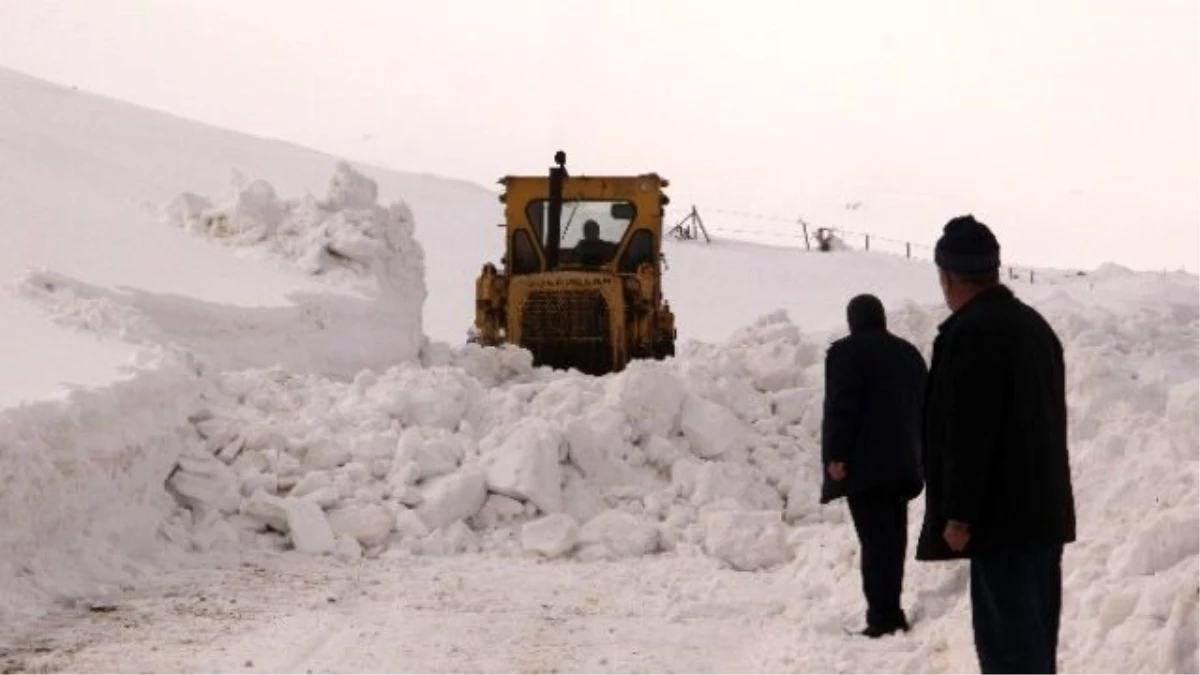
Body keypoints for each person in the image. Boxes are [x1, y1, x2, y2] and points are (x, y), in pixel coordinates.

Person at [916, 215, 1076, 674]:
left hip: (999, 521)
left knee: (1007, 649)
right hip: (1042, 514)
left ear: (948, 276)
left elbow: (970, 430)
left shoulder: (973, 333)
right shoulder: (1033, 327)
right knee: (1033, 641)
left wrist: (959, 513)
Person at [821, 294, 927, 637]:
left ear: (853, 320)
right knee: (892, 541)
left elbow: (842, 404)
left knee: (875, 543)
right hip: (904, 465)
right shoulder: (908, 353)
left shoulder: (847, 352)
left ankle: (882, 619)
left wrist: (836, 455)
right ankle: (890, 612)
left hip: (865, 467)